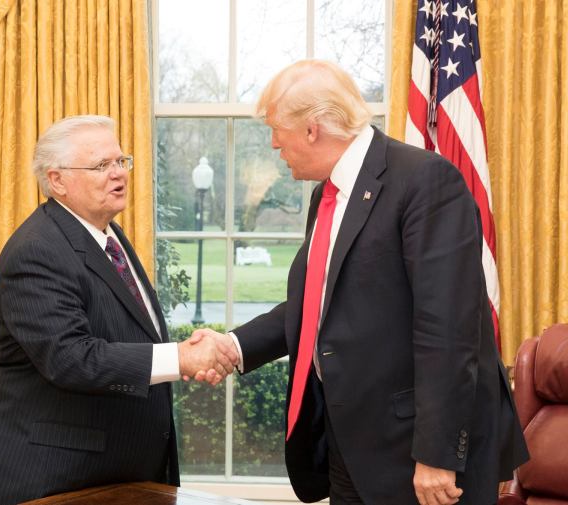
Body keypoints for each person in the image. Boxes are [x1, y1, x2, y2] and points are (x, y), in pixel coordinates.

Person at [192, 60, 528, 505]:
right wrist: (233, 345)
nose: (274, 144)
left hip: (418, 454)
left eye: (277, 130)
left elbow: (447, 330)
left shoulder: (424, 181)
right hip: (352, 443)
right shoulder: (326, 195)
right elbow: (315, 305)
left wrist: (436, 455)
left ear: (312, 129)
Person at [0, 115, 238, 505]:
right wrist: (182, 357)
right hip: (45, 479)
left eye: (121, 161)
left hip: (112, 475)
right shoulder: (37, 250)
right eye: (101, 165)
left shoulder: (108, 236)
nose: (118, 174)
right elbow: (71, 358)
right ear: (57, 180)